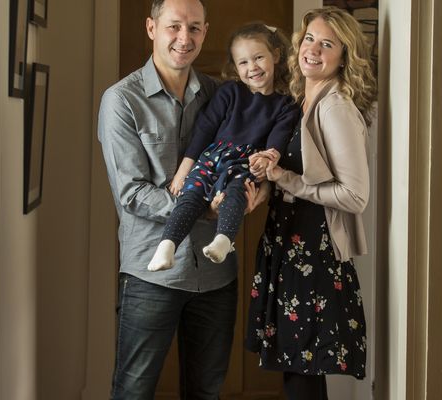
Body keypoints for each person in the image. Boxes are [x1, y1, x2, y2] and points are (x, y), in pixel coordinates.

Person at [98, 0, 244, 398]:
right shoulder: (122, 100)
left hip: (216, 276)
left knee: (206, 391)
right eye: (174, 26)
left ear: (205, 32)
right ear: (151, 28)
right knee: (133, 391)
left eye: (194, 28)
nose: (185, 38)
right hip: (151, 274)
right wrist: (203, 208)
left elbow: (238, 159)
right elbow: (131, 193)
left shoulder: (221, 96)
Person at [245, 7, 377, 400]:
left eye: (327, 44)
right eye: (309, 39)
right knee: (296, 369)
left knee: (302, 371)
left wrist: (284, 179)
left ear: (344, 57)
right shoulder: (302, 100)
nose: (313, 49)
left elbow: (355, 195)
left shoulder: (336, 107)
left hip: (313, 253)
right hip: (287, 242)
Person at [147, 22, 300, 272]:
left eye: (258, 58)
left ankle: (223, 240)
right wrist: (184, 169)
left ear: (275, 55)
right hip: (212, 158)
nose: (252, 67)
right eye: (243, 62)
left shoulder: (286, 104)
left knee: (236, 194)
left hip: (246, 163)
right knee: (190, 195)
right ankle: (167, 245)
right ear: (235, 67)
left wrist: (266, 160)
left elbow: (278, 138)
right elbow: (204, 129)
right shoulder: (230, 92)